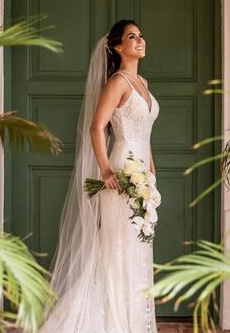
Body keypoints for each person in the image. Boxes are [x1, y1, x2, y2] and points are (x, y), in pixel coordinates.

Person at [39, 20, 160, 333]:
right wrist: (106, 169)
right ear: (118, 47)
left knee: (137, 248)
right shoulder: (117, 82)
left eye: (141, 35)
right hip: (121, 173)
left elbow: (144, 131)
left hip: (143, 173)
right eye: (132, 36)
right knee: (118, 247)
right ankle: (112, 322)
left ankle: (133, 320)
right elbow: (96, 127)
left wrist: (151, 165)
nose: (140, 40)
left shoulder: (143, 82)